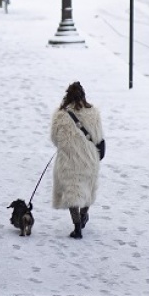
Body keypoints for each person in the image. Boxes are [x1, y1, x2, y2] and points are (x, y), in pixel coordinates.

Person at [50, 81, 104, 239]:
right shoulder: (93, 112)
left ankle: (77, 226)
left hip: (69, 161)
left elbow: (54, 139)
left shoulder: (60, 115)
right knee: (88, 189)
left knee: (72, 191)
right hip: (89, 159)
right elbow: (98, 137)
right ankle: (84, 215)